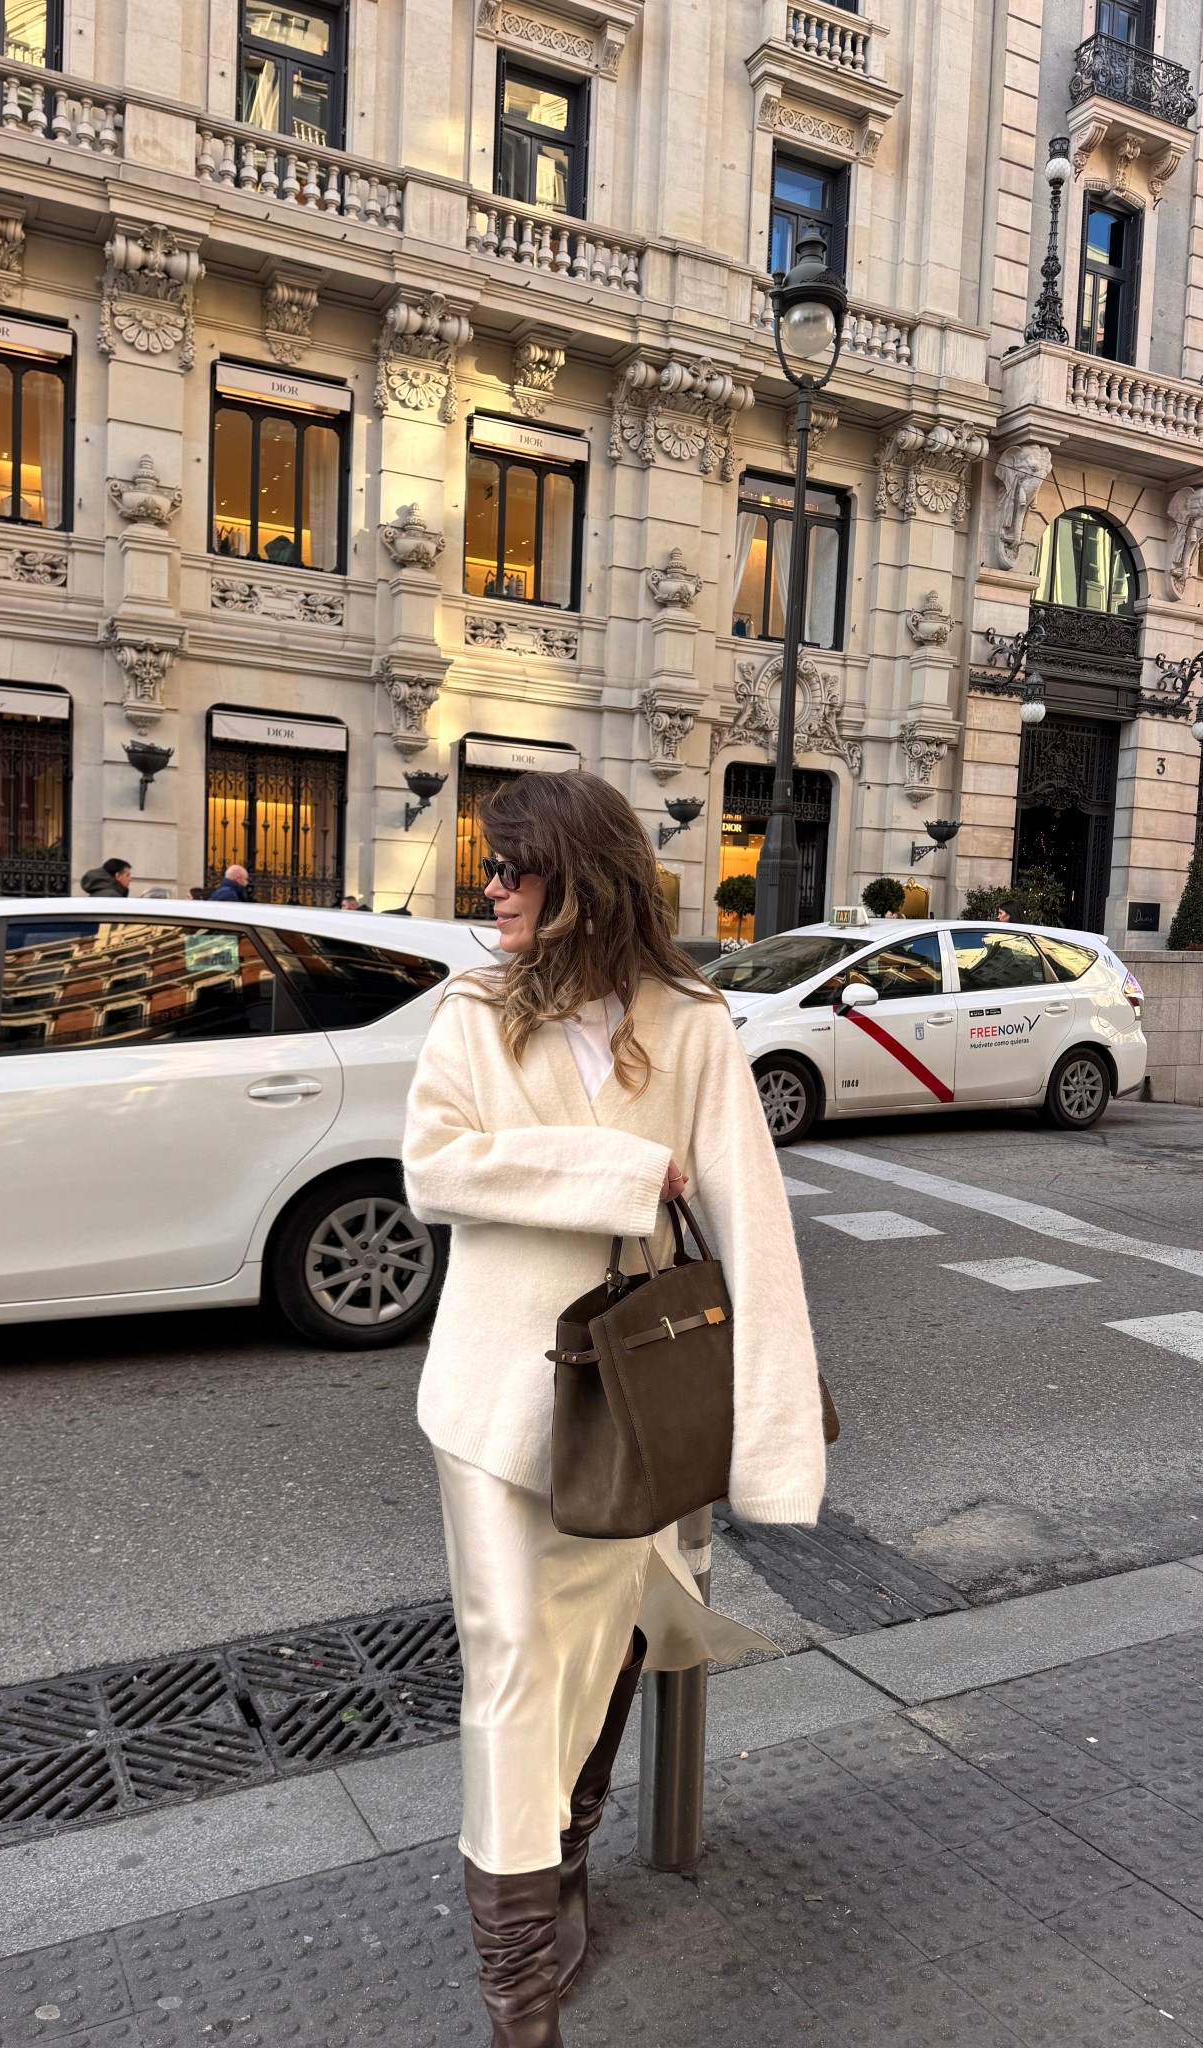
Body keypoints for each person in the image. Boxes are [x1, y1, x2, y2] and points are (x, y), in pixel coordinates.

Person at [402, 772, 826, 2047]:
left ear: (582, 874)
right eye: (486, 866)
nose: (488, 888)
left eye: (510, 865)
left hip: (637, 1393)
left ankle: (566, 1851)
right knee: (516, 1659)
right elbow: (434, 1167)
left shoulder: (691, 1020)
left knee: (612, 1645)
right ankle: (519, 1994)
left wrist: (770, 1438)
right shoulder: (472, 1007)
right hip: (494, 1399)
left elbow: (753, 1223)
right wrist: (624, 1167)